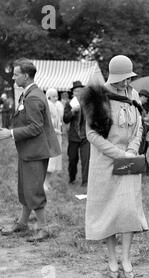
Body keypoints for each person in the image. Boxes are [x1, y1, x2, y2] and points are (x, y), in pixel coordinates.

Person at [82, 55, 148, 278]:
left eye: (129, 79)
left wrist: (131, 150)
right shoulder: (97, 96)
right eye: (122, 80)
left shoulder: (134, 95)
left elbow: (139, 126)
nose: (126, 84)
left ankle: (126, 258)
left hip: (129, 160)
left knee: (127, 211)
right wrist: (120, 154)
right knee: (108, 212)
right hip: (105, 162)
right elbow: (91, 134)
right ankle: (112, 258)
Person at [0, 58, 61, 242]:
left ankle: (43, 228)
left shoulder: (33, 97)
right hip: (30, 150)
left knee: (33, 190)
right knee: (25, 188)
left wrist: (10, 133)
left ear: (26, 76)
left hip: (35, 151)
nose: (13, 77)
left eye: (16, 74)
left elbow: (35, 127)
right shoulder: (30, 93)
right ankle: (22, 223)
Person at [63, 80, 90, 187]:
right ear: (73, 93)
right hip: (73, 136)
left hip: (86, 136)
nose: (78, 93)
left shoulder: (88, 104)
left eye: (80, 91)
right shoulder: (69, 104)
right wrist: (72, 111)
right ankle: (72, 178)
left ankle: (85, 181)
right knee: (72, 159)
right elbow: (65, 119)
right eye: (76, 91)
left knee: (86, 159)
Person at [44, 88, 64, 191]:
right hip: (50, 138)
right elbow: (47, 125)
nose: (56, 98)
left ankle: (48, 182)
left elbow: (59, 121)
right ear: (48, 97)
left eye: (57, 96)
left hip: (57, 137)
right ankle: (44, 183)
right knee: (49, 162)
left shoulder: (57, 106)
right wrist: (55, 131)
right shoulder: (47, 107)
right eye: (54, 96)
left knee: (55, 162)